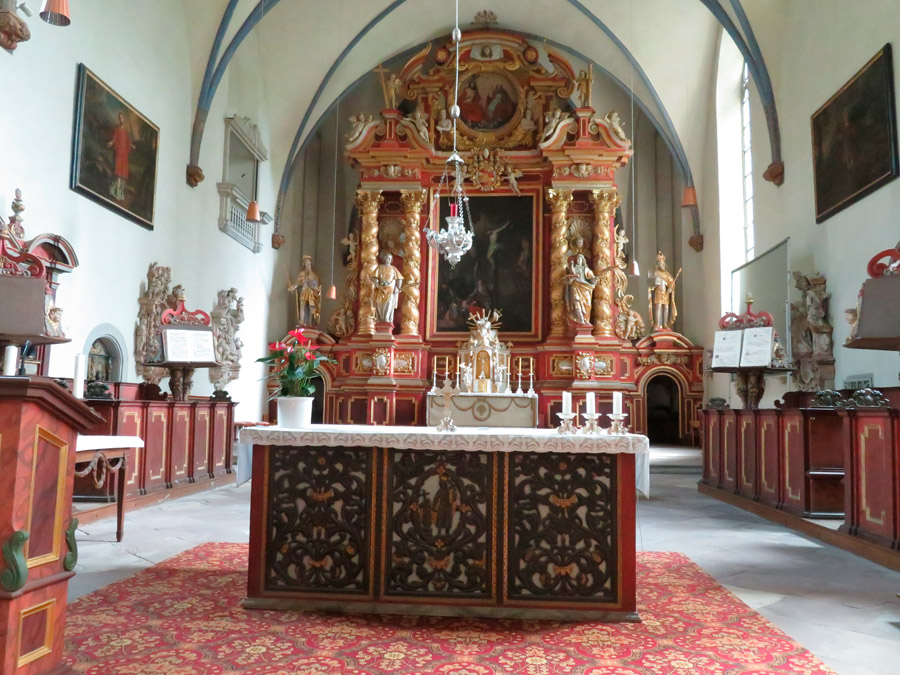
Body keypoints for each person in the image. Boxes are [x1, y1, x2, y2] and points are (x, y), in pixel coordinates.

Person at [647, 251, 681, 331]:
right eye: (661, 264)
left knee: (666, 307)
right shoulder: (656, 273)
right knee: (658, 307)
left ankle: (665, 324)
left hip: (665, 293)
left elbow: (671, 282)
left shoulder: (667, 274)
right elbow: (651, 283)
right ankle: (657, 324)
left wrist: (670, 287)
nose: (662, 266)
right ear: (658, 265)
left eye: (663, 264)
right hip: (658, 292)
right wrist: (654, 282)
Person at [371, 251, 404, 323]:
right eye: (385, 258)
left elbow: (399, 278)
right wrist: (377, 283)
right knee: (379, 303)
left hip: (390, 289)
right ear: (383, 259)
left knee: (389, 303)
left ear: (391, 260)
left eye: (389, 258)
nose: (387, 259)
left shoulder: (393, 269)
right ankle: (380, 318)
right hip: (380, 288)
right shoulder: (379, 267)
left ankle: (387, 318)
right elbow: (373, 277)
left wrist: (398, 287)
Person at [565, 254, 598, 325]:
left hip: (585, 288)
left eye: (579, 259)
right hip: (575, 286)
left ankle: (586, 320)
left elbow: (592, 279)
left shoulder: (587, 270)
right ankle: (580, 319)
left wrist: (594, 279)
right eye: (577, 259)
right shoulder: (573, 269)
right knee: (576, 301)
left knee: (587, 304)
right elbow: (569, 280)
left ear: (582, 260)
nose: (578, 260)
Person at [288, 255, 321, 327]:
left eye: (309, 264)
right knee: (302, 306)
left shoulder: (314, 275)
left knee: (311, 307)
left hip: (311, 292)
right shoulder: (302, 274)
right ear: (304, 265)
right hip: (304, 291)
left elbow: (317, 285)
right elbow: (297, 283)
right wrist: (293, 287)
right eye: (306, 264)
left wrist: (312, 283)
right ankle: (302, 321)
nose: (308, 265)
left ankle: (310, 323)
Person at [108, 111, 134, 201]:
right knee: (119, 172)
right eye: (120, 118)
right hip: (119, 152)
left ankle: (120, 192)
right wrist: (111, 142)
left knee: (123, 173)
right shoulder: (117, 129)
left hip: (124, 153)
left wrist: (132, 145)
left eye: (122, 117)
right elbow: (114, 138)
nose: (121, 119)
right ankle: (117, 192)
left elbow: (128, 140)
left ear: (124, 119)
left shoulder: (126, 130)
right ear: (119, 119)